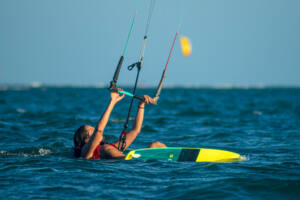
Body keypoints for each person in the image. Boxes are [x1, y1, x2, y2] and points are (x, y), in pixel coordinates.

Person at [73, 89, 167, 160]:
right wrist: (112, 102)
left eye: (94, 129)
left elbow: (135, 130)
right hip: (127, 167)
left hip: (134, 165)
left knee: (156, 145)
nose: (96, 131)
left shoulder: (113, 147)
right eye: (92, 131)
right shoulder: (85, 152)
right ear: (86, 140)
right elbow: (99, 130)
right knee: (106, 148)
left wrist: (141, 105)